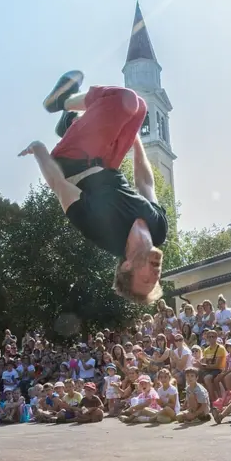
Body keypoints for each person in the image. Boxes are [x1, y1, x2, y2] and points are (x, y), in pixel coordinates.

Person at [20, 73, 167, 304]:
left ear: (127, 265)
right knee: (140, 108)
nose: (155, 277)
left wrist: (39, 149)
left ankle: (61, 102)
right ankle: (72, 123)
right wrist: (135, 142)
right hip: (108, 162)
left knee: (126, 100)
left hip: (74, 160)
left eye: (146, 280)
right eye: (156, 282)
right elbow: (146, 184)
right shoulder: (158, 230)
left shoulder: (104, 234)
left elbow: (59, 186)